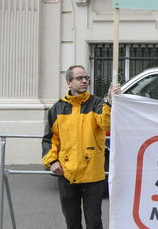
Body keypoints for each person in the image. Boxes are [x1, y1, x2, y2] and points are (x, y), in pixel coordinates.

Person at [42, 65, 121, 229]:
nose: (85, 81)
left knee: (94, 223)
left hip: (92, 176)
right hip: (67, 174)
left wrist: (111, 103)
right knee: (72, 224)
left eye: (86, 78)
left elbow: (106, 124)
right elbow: (49, 139)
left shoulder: (98, 103)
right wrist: (52, 162)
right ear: (69, 83)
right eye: (80, 78)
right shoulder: (57, 108)